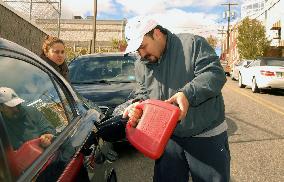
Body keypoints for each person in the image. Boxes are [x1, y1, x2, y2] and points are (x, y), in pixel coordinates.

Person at [122, 16, 230, 182]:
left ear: (157, 34)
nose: (142, 54)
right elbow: (142, 92)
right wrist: (137, 106)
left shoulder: (193, 44)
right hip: (167, 137)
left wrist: (187, 94)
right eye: (137, 50)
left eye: (143, 46)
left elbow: (215, 74)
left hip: (206, 135)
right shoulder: (141, 64)